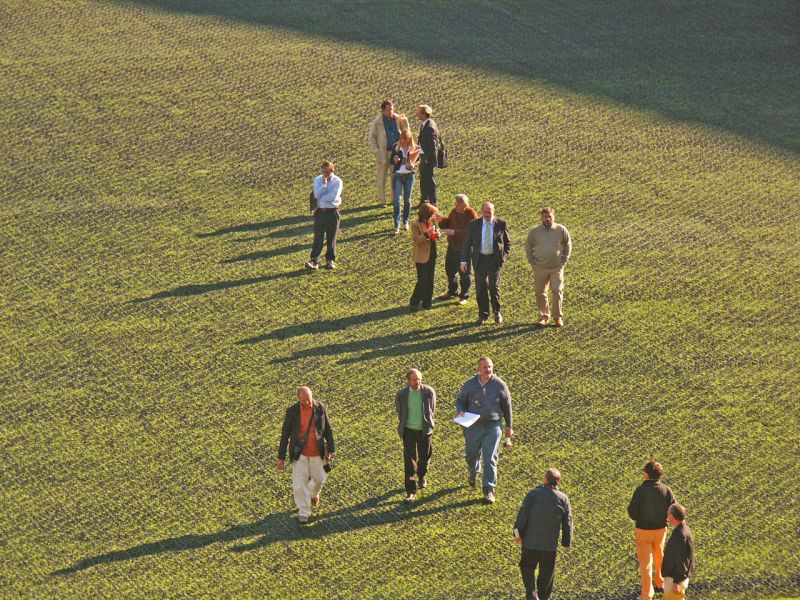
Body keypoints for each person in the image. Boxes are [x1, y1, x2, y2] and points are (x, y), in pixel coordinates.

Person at [456, 356, 513, 503]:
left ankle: (489, 489)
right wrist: (461, 411)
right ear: (478, 369)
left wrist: (509, 426)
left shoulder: (500, 385)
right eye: (485, 367)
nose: (488, 370)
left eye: (490, 367)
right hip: (473, 425)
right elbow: (461, 400)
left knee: (490, 458)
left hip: (493, 426)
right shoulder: (469, 384)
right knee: (471, 454)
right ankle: (473, 472)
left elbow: (507, 406)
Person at [276, 386, 335, 524]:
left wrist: (331, 449)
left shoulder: (320, 408)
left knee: (320, 479)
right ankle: (304, 513)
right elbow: (285, 435)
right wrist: (281, 457)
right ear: (298, 399)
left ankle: (314, 494)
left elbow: (328, 429)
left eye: (308, 400)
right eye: (303, 401)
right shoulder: (292, 412)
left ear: (311, 396)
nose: (307, 403)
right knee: (299, 485)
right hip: (299, 453)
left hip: (317, 452)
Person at [514, 468, 573, 600]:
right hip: (549, 546)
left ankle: (531, 593)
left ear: (545, 479)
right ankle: (542, 597)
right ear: (558, 482)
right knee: (546, 575)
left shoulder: (533, 494)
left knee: (527, 567)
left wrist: (518, 533)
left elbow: (522, 515)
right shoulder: (564, 499)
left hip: (530, 543)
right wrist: (566, 542)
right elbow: (567, 522)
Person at [628, 460, 677, 600]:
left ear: (646, 474)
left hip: (643, 530)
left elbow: (632, 511)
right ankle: (660, 582)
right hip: (660, 530)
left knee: (645, 564)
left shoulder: (640, 490)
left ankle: (647, 594)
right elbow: (673, 508)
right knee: (659, 555)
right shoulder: (666, 490)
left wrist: (640, 517)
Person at [460, 202, 510, 324]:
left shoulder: (501, 224)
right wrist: (463, 261)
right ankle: (483, 315)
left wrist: (503, 257)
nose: (487, 214)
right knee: (481, 288)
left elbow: (507, 243)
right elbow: (467, 244)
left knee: (493, 287)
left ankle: (497, 312)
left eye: (490, 212)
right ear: (482, 211)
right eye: (485, 212)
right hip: (480, 260)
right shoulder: (474, 225)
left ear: (494, 211)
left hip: (495, 260)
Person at [525, 207, 572, 327]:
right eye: (545, 216)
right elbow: (528, 247)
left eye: (550, 216)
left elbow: (568, 244)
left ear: (553, 217)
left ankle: (557, 317)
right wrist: (533, 263)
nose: (548, 219)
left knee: (557, 291)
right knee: (541, 293)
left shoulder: (561, 230)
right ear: (541, 218)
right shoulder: (534, 232)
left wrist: (563, 261)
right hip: (540, 268)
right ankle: (544, 316)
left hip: (556, 267)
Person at [395, 368, 436, 502]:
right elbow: (400, 412)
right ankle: (411, 491)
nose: (417, 382)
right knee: (409, 462)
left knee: (425, 457)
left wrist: (429, 423)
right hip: (409, 431)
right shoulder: (401, 395)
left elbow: (432, 409)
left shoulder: (428, 392)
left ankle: (422, 475)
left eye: (418, 379)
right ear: (408, 381)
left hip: (425, 431)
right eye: (414, 380)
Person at [437, 194, 478, 305]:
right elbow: (448, 224)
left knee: (464, 272)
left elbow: (470, 231)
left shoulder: (471, 214)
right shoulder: (454, 212)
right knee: (449, 269)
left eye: (457, 204)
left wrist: (454, 232)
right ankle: (452, 291)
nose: (455, 206)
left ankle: (464, 296)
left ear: (463, 205)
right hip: (452, 246)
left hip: (464, 249)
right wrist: (441, 220)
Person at [306, 160, 343, 270]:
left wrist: (322, 195)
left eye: (327, 173)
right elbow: (316, 194)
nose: (325, 175)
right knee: (318, 238)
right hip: (320, 212)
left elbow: (333, 197)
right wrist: (323, 185)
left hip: (333, 212)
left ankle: (330, 260)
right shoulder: (318, 180)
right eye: (323, 172)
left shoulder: (338, 181)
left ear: (332, 171)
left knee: (332, 238)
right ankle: (314, 261)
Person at [409, 201, 443, 310]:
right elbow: (416, 240)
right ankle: (414, 302)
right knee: (422, 280)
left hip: (432, 252)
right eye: (431, 213)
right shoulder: (415, 224)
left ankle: (427, 303)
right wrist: (426, 234)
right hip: (421, 256)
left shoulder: (431, 221)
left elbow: (436, 231)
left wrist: (437, 234)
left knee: (430, 280)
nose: (433, 216)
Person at [368, 99, 401, 207]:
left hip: (396, 152)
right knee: (382, 177)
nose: (390, 112)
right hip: (383, 153)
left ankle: (394, 199)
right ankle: (382, 201)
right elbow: (371, 138)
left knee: (395, 176)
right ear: (382, 110)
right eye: (388, 110)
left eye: (391, 109)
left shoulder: (398, 119)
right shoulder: (377, 122)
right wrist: (376, 151)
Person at [661, 503, 695, 600]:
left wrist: (677, 582)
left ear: (672, 516)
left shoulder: (681, 535)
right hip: (676, 578)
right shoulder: (683, 530)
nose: (667, 516)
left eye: (668, 514)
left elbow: (682, 560)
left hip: (675, 580)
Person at [391, 129, 420, 234]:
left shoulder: (414, 148)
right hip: (398, 175)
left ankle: (405, 221)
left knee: (407, 200)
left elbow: (418, 160)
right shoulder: (396, 147)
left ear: (409, 139)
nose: (403, 142)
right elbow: (391, 160)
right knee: (397, 200)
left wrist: (413, 165)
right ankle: (396, 225)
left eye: (406, 140)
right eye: (402, 139)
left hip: (409, 176)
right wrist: (395, 160)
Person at [416, 104, 440, 205]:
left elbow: (433, 145)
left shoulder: (429, 126)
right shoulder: (425, 124)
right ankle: (424, 200)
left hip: (427, 159)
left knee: (429, 181)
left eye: (419, 113)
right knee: (423, 180)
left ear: (425, 114)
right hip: (423, 157)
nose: (417, 114)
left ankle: (433, 202)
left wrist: (426, 158)